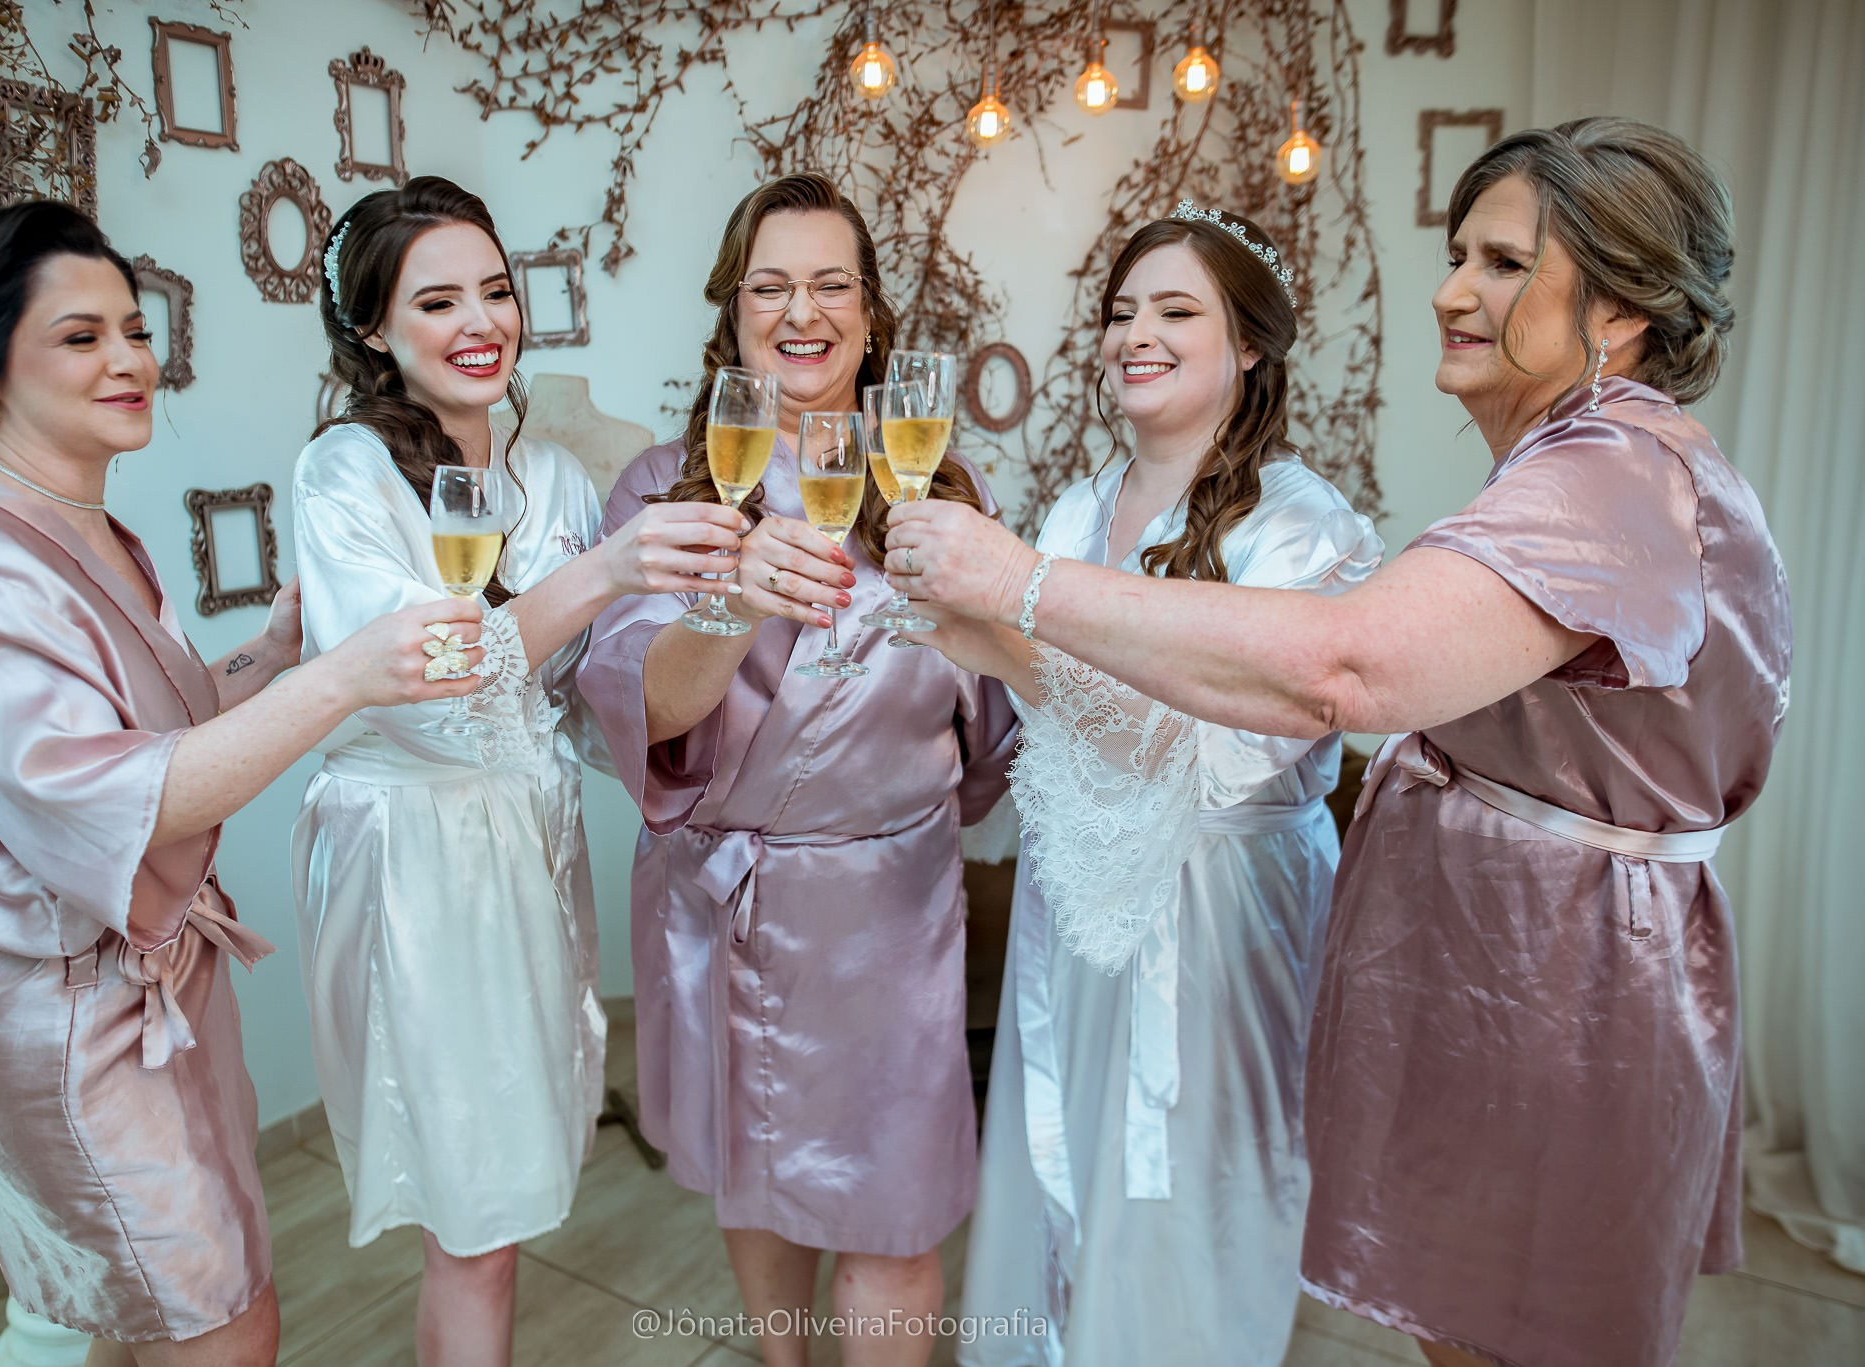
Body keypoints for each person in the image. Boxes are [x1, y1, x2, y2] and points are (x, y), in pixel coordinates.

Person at [886, 118, 1789, 1367]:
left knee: (1508, 1326)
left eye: (1502, 262)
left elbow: (1339, 667)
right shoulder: (1572, 463)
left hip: (1556, 982)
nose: (1450, 288)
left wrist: (1019, 583)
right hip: (1497, 971)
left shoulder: (1608, 477)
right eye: (1458, 253)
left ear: (1621, 305)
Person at [0, 201, 485, 1367]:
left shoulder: (80, 526)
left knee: (120, 1317)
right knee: (218, 1326)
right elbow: (123, 798)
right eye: (79, 336)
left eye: (134, 328)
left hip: (147, 995)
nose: (129, 359)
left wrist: (276, 651)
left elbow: (142, 729)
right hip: (64, 1021)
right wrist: (348, 679)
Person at [288, 176, 746, 1367]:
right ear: (374, 331)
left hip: (525, 851)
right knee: (476, 1223)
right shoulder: (344, 474)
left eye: (495, 289)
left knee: (512, 1195)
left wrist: (707, 659)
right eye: (436, 300)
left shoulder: (552, 479)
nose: (480, 319)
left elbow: (588, 702)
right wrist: (604, 575)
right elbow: (426, 677)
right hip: (415, 861)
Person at [925, 207, 1381, 1366]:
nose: (1136, 332)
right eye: (1122, 310)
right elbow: (1061, 719)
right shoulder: (1081, 506)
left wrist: (996, 642)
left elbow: (1208, 749)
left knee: (1191, 1184)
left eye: (1175, 311)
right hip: (1078, 890)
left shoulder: (1302, 529)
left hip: (1222, 909)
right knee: (1061, 1149)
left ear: (1249, 348)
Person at [576, 172, 1018, 1367]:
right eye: (769, 285)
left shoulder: (938, 484)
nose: (800, 310)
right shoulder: (666, 490)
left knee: (894, 1215)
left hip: (890, 909)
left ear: (872, 316)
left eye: (831, 283)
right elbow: (649, 716)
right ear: (731, 314)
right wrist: (728, 600)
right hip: (725, 905)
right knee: (753, 1179)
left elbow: (993, 724)